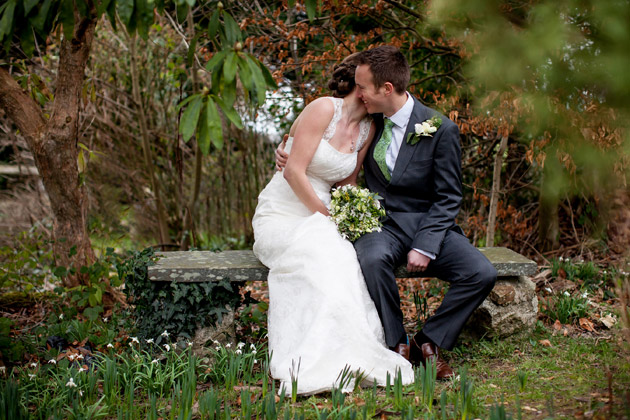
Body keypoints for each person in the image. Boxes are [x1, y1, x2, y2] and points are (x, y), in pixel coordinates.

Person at [276, 46, 497, 380]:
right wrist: (287, 148)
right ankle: (397, 344)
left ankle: (429, 342)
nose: (357, 92)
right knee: (372, 260)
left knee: (481, 272)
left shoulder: (440, 129)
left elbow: (449, 197)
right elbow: (326, 145)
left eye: (363, 87)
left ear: (387, 89)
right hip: (381, 225)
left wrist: (425, 245)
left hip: (429, 226)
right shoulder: (368, 121)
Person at [252, 56, 414, 395]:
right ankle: (311, 355)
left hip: (323, 212)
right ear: (360, 88)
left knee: (343, 257)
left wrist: (354, 211)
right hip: (283, 212)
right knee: (321, 247)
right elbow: (294, 171)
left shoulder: (369, 129)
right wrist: (326, 218)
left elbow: (348, 182)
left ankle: (348, 347)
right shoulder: (323, 110)